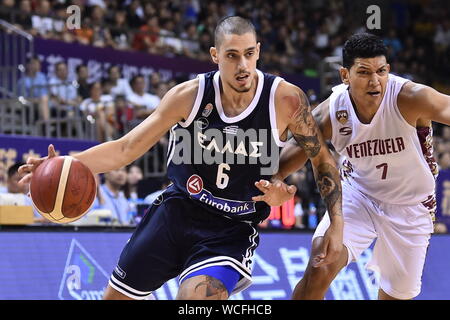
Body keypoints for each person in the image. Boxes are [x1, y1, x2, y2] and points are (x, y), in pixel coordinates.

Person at [19, 16, 343, 300]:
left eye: (248, 54)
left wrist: (335, 224)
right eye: (232, 56)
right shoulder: (188, 96)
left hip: (230, 227)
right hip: (176, 212)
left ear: (258, 51)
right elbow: (126, 148)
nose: (243, 65)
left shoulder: (284, 99)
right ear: (215, 56)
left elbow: (322, 158)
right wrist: (61, 165)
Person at [258, 33, 450, 300]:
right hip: (358, 195)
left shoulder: (412, 97)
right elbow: (288, 156)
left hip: (411, 205)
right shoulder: (330, 113)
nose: (375, 81)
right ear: (345, 75)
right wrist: (276, 180)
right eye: (364, 72)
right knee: (320, 263)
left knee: (395, 296)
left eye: (381, 71)